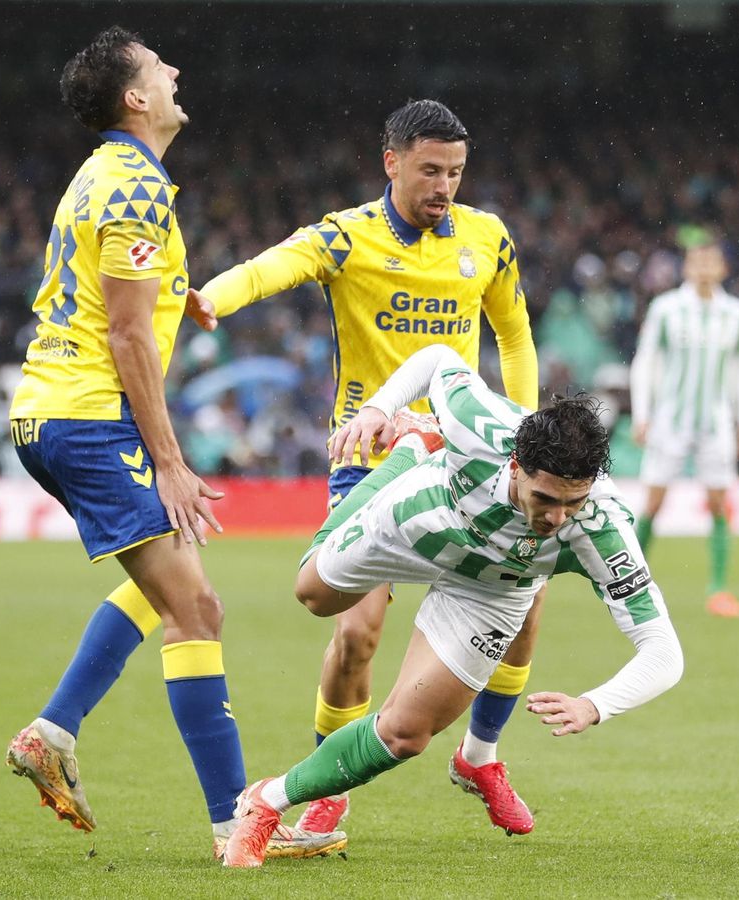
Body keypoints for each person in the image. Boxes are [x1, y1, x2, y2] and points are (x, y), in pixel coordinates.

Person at [0, 26, 341, 860]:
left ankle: (54, 729)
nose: (177, 71)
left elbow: (118, 300)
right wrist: (171, 462)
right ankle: (237, 823)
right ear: (136, 98)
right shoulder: (134, 189)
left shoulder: (107, 178)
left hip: (52, 413)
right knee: (198, 607)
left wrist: (178, 293)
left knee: (167, 590)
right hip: (88, 417)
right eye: (160, 68)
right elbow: (125, 336)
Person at [186, 99, 543, 837]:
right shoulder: (348, 236)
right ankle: (327, 785)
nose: (445, 186)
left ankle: (482, 756)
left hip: (467, 462)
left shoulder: (487, 239)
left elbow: (514, 335)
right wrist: (211, 298)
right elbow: (273, 265)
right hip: (372, 464)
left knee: (525, 611)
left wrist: (523, 433)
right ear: (392, 162)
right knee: (357, 635)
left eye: (456, 172)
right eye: (430, 170)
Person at [219, 345, 685, 868]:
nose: (557, 518)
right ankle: (412, 449)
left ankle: (265, 803)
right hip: (417, 523)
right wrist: (378, 407)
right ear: (515, 463)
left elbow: (664, 651)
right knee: (312, 595)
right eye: (544, 499)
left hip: (491, 589)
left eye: (571, 503)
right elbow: (439, 359)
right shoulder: (479, 425)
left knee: (405, 734)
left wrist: (596, 705)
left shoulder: (604, 527)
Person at [630, 240, 739, 617]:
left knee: (719, 502)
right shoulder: (667, 309)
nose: (703, 269)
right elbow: (646, 361)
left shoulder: (737, 314)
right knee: (654, 500)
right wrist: (643, 413)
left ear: (723, 269)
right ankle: (629, 583)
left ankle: (718, 589)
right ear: (687, 268)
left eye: (711, 262)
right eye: (697, 262)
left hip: (715, 422)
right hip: (671, 418)